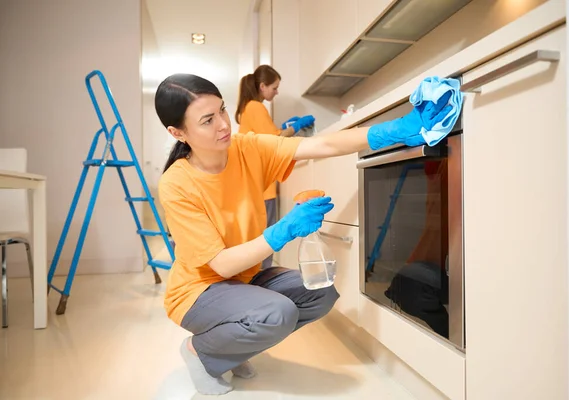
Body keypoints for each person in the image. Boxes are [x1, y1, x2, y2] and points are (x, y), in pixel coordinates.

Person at [155, 73, 452, 395]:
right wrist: (285, 229)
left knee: (319, 291)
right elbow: (222, 266)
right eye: (207, 120)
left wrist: (397, 129)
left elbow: (321, 143)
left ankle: (230, 349)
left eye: (222, 111)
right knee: (276, 313)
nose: (224, 125)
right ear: (178, 132)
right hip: (199, 292)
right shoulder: (177, 184)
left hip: (245, 278)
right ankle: (202, 351)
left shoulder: (246, 148)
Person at [235, 64, 315, 269]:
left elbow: (267, 136)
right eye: (274, 87)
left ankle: (258, 279)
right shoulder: (255, 106)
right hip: (262, 184)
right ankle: (263, 281)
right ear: (262, 86)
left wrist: (285, 127)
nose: (277, 92)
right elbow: (273, 140)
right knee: (268, 237)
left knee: (261, 236)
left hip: (254, 182)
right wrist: (295, 128)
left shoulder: (248, 108)